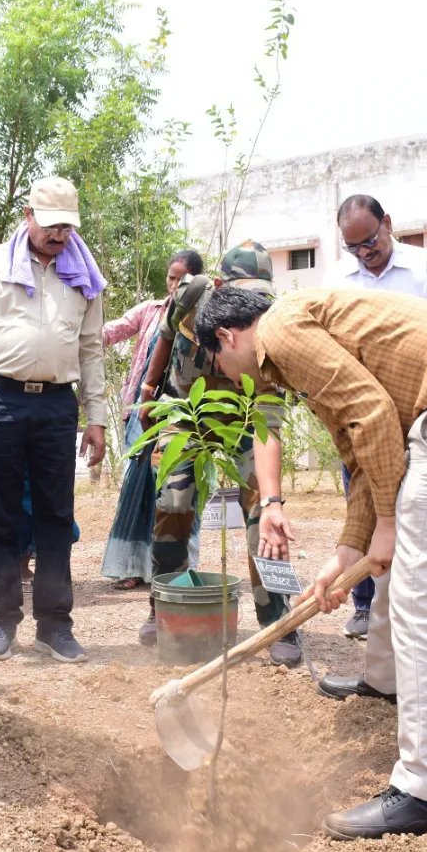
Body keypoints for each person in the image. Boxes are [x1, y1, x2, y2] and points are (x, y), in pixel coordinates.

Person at [197, 286, 427, 840]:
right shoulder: (303, 334)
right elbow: (365, 450)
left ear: (227, 336)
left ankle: (426, 792)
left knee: (420, 595)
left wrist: (386, 524)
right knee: (406, 573)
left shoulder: (282, 328)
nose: (236, 381)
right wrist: (350, 551)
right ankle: (384, 681)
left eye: (222, 368)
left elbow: (372, 414)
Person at [0, 175, 108, 664]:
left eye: (67, 227)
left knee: (57, 515)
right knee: (1, 517)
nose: (60, 236)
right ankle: (0, 624)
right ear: (28, 215)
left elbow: (92, 348)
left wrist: (96, 417)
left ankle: (56, 626)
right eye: (52, 225)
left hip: (57, 404)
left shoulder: (84, 273)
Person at [133, 241, 296, 664]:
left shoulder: (272, 330)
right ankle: (164, 606)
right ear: (221, 285)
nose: (252, 303)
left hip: (245, 420)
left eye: (260, 294)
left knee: (264, 512)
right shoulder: (191, 295)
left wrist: (273, 497)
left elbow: (267, 423)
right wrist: (150, 390)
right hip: (189, 411)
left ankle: (279, 623)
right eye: (244, 292)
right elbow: (165, 337)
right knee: (173, 498)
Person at [328, 194, 427, 641]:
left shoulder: (425, 268)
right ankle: (365, 604)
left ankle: (413, 604)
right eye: (354, 248)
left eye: (370, 242)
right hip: (363, 413)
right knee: (363, 502)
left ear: (387, 224)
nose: (364, 254)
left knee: (418, 505)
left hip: (420, 410)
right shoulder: (338, 280)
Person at [100, 248, 202, 590]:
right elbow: (115, 330)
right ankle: (130, 566)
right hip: (142, 414)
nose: (174, 285)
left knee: (174, 491)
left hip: (182, 419)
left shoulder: (202, 317)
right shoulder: (151, 311)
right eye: (171, 277)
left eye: (182, 279)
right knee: (138, 485)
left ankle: (172, 568)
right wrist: (81, 335)